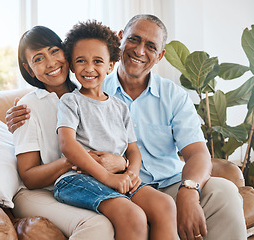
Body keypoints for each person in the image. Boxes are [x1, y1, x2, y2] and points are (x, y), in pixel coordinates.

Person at [7, 14, 247, 240]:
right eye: (134, 39)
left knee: (224, 191)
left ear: (160, 55)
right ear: (121, 40)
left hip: (162, 182)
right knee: (131, 214)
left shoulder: (170, 96)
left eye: (151, 46)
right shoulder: (86, 89)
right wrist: (15, 111)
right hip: (110, 183)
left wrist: (189, 190)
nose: (140, 51)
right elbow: (56, 105)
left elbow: (195, 153)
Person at [54, 20, 177, 240]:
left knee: (165, 204)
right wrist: (108, 178)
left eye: (98, 61)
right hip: (76, 179)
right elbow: (67, 145)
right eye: (81, 61)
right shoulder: (70, 101)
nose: (89, 68)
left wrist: (131, 175)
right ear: (72, 66)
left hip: (117, 176)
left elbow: (133, 151)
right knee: (133, 216)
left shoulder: (120, 106)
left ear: (111, 65)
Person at [11, 25, 126, 240]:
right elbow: (29, 177)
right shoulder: (28, 107)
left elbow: (118, 146)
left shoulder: (89, 94)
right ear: (29, 69)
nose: (51, 62)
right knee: (97, 225)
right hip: (39, 192)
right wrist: (73, 160)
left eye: (54, 51)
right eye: (38, 59)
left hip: (85, 185)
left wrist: (122, 163)